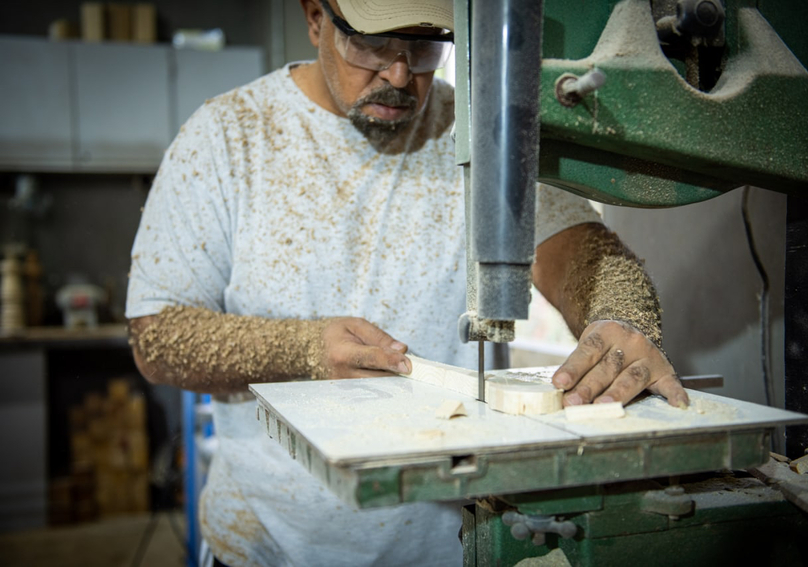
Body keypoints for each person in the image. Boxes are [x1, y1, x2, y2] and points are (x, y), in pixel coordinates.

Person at [126, 0, 688, 564]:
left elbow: (581, 252)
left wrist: (621, 316)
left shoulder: (484, 127)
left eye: (423, 46)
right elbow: (156, 337)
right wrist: (303, 349)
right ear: (317, 18)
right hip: (268, 546)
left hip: (450, 545)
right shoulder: (228, 135)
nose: (399, 75)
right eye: (372, 44)